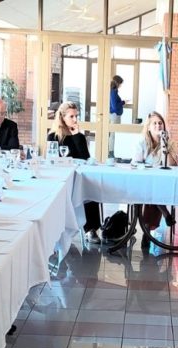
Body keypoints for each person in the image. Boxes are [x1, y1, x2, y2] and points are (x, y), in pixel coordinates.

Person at [47, 102, 102, 244]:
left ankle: (91, 229)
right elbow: (52, 158)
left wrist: (76, 135)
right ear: (63, 117)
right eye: (71, 116)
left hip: (78, 174)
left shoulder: (79, 136)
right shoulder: (53, 136)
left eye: (76, 116)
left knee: (91, 187)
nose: (75, 119)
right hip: (61, 176)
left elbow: (85, 158)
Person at [133, 111, 176, 248]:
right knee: (152, 189)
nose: (158, 126)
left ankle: (147, 229)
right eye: (155, 123)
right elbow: (136, 163)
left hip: (163, 182)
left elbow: (172, 165)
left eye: (160, 123)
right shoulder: (142, 142)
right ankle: (165, 213)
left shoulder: (169, 142)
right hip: (144, 180)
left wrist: (164, 145)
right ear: (149, 127)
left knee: (156, 189)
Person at [109, 75, 125, 159]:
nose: (121, 85)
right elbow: (114, 107)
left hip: (114, 115)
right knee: (113, 135)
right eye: (120, 83)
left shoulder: (113, 91)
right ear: (117, 83)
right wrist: (123, 102)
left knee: (113, 135)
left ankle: (112, 152)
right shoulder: (113, 92)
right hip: (114, 116)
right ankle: (111, 153)